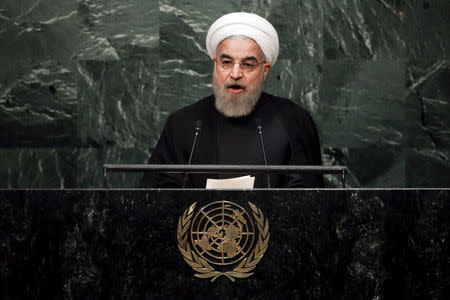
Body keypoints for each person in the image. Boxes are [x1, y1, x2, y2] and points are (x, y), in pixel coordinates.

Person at [140, 12, 323, 188]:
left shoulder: (293, 120)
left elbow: (307, 200)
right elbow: (157, 197)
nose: (235, 74)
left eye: (247, 64)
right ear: (215, 64)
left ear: (265, 70)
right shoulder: (183, 123)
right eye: (226, 63)